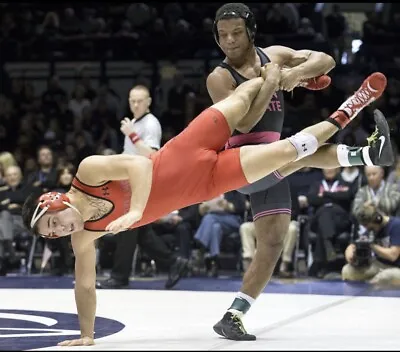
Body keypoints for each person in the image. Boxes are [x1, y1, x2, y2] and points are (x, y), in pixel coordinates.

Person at [22, 67, 388, 346]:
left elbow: (139, 165)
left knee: (246, 96)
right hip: (204, 183)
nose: (57, 234)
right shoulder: (83, 237)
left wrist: (135, 212)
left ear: (54, 202)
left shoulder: (87, 172)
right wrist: (87, 334)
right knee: (287, 153)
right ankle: (351, 111)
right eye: (50, 236)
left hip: (182, 150)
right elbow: (84, 285)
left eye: (52, 225)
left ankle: (287, 76)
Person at [207, 3, 393, 341]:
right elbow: (246, 121)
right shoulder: (219, 78)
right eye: (223, 35)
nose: (230, 41)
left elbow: (326, 61)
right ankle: (354, 111)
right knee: (298, 152)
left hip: (273, 166)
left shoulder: (272, 56)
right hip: (242, 163)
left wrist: (293, 74)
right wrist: (273, 81)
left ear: (251, 32)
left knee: (273, 243)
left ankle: (234, 314)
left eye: (236, 33)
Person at [96, 84, 188, 290]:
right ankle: (174, 262)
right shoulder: (136, 122)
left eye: (139, 101)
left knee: (128, 227)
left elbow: (152, 155)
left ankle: (120, 276)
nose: (135, 104)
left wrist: (131, 135)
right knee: (140, 231)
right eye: (132, 100)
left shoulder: (150, 123)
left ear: (148, 102)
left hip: (142, 181)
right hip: (131, 180)